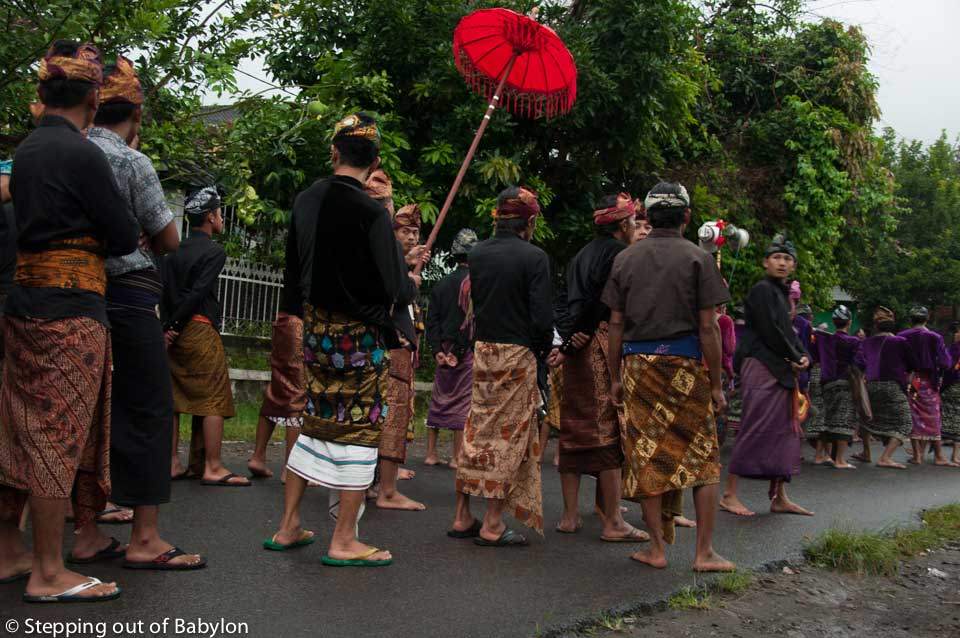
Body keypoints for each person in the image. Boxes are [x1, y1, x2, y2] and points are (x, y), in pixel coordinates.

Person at [0, 40, 140, 602]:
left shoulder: (28, 149)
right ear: (93, 93)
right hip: (72, 307)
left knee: (21, 430)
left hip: (24, 301)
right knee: (59, 435)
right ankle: (49, 571)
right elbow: (127, 234)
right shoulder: (85, 155)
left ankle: (11, 550)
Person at [265, 112, 415, 566]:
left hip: (315, 332)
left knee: (314, 420)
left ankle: (289, 524)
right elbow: (394, 288)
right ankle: (344, 538)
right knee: (361, 430)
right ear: (375, 159)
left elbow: (293, 269)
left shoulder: (306, 199)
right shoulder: (372, 211)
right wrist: (412, 278)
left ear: (335, 152)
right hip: (359, 335)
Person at [87, 57, 204, 569]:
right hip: (130, 293)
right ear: (135, 114)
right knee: (148, 408)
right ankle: (146, 537)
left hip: (80, 292)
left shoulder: (67, 150)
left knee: (91, 412)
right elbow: (170, 237)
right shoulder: (131, 161)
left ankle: (87, 531)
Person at [603, 181, 733, 571]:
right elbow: (708, 327)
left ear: (648, 217)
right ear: (686, 217)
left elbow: (614, 325)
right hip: (686, 366)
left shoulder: (626, 259)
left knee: (647, 455)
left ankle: (656, 549)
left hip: (639, 367)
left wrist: (614, 377)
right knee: (703, 457)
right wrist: (715, 385)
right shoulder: (699, 258)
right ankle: (704, 552)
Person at [448, 186, 550, 547]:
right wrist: (541, 356)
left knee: (477, 429)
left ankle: (462, 514)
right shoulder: (534, 257)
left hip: (484, 350)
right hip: (517, 354)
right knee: (510, 437)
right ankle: (492, 522)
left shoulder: (478, 254)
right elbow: (540, 319)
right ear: (530, 221)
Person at [553, 193, 646, 542]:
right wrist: (581, 334)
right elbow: (599, 300)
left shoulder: (580, 255)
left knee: (573, 426)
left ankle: (569, 516)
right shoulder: (620, 254)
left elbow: (563, 298)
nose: (636, 226)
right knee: (608, 428)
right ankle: (613, 522)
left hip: (576, 342)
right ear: (623, 224)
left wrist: (567, 336)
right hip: (599, 339)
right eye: (634, 221)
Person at [722, 235, 813, 518]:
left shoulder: (781, 294)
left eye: (787, 259)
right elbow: (771, 330)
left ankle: (779, 496)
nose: (782, 263)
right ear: (765, 262)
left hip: (781, 366)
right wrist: (795, 357)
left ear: (793, 266)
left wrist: (803, 356)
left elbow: (787, 331)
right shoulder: (762, 290)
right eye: (777, 258)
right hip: (761, 364)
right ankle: (730, 494)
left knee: (786, 432)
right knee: (755, 425)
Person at [163, 186, 248, 486]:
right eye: (220, 213)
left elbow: (167, 293)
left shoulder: (173, 251)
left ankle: (172, 462)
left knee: (175, 397)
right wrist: (177, 324)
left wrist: (169, 328)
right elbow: (197, 292)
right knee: (213, 396)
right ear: (211, 217)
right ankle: (212, 466)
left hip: (173, 335)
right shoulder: (214, 252)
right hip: (197, 327)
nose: (221, 218)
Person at [375, 203, 429, 510]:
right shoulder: (385, 257)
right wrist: (409, 280)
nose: (410, 237)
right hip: (391, 346)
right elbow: (392, 296)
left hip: (398, 346)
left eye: (414, 232)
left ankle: (379, 485)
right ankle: (388, 491)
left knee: (392, 417)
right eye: (404, 231)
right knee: (391, 419)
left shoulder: (393, 258)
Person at [424, 228, 479, 468]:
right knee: (461, 401)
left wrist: (438, 350)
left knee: (439, 397)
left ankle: (431, 453)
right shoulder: (473, 285)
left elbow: (432, 320)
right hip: (462, 349)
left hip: (443, 347)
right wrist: (457, 352)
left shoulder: (441, 284)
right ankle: (457, 457)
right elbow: (468, 324)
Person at [857, 307, 916, 469]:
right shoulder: (900, 342)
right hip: (893, 385)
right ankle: (886, 457)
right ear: (893, 325)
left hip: (871, 384)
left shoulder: (867, 342)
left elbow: (860, 363)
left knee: (867, 419)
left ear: (876, 326)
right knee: (905, 423)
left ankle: (866, 452)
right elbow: (912, 364)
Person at [898, 306, 955, 466]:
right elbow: (945, 362)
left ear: (910, 319)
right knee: (933, 417)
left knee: (914, 417)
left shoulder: (902, 336)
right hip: (928, 380)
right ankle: (939, 456)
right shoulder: (935, 337)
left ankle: (917, 455)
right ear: (927, 318)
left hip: (909, 379)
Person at [806, 306, 862, 469]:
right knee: (843, 419)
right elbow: (860, 362)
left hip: (826, 382)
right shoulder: (854, 341)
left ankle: (819, 456)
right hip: (844, 381)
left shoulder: (825, 339)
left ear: (833, 322)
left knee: (826, 418)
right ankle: (839, 460)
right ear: (849, 323)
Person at [939, 322, 960, 465]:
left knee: (941, 420)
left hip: (950, 386)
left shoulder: (954, 348)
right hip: (955, 387)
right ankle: (955, 456)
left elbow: (947, 366)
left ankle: (925, 453)